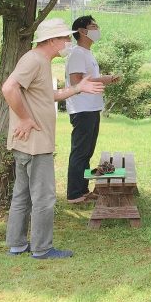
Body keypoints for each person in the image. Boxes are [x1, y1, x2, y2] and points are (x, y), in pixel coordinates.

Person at [2, 18, 105, 259]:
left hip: (30, 141)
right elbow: (9, 88)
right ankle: (42, 248)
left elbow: (49, 95)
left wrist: (79, 88)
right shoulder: (34, 59)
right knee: (44, 197)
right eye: (63, 38)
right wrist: (25, 119)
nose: (67, 42)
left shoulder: (40, 61)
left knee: (22, 194)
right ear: (51, 40)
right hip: (35, 142)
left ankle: (17, 244)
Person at [64, 15, 120, 204]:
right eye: (93, 26)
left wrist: (105, 78)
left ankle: (83, 190)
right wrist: (103, 79)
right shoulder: (77, 53)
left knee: (86, 152)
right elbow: (76, 81)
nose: (97, 29)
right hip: (82, 109)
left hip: (92, 107)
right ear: (82, 31)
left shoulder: (87, 53)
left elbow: (88, 79)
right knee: (80, 151)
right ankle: (74, 194)